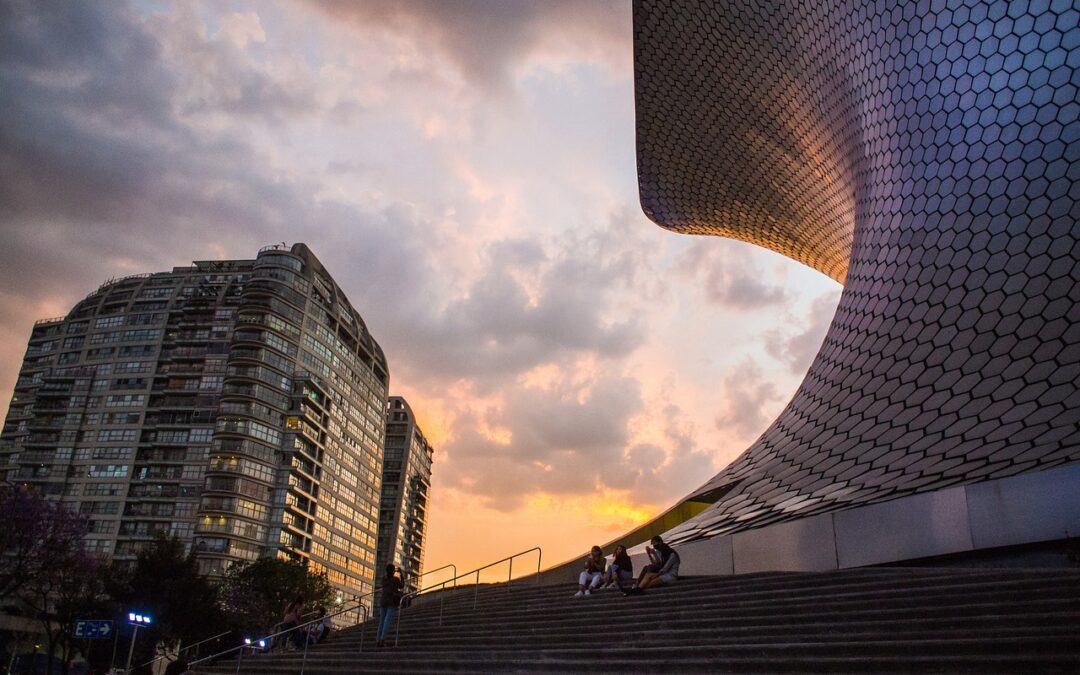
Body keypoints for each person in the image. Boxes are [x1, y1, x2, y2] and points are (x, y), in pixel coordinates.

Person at [377, 564, 404, 647]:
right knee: (387, 622)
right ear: (393, 571)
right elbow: (402, 585)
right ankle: (382, 640)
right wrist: (401, 574)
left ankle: (378, 640)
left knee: (381, 622)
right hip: (391, 602)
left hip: (383, 601)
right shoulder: (395, 579)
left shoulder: (384, 579)